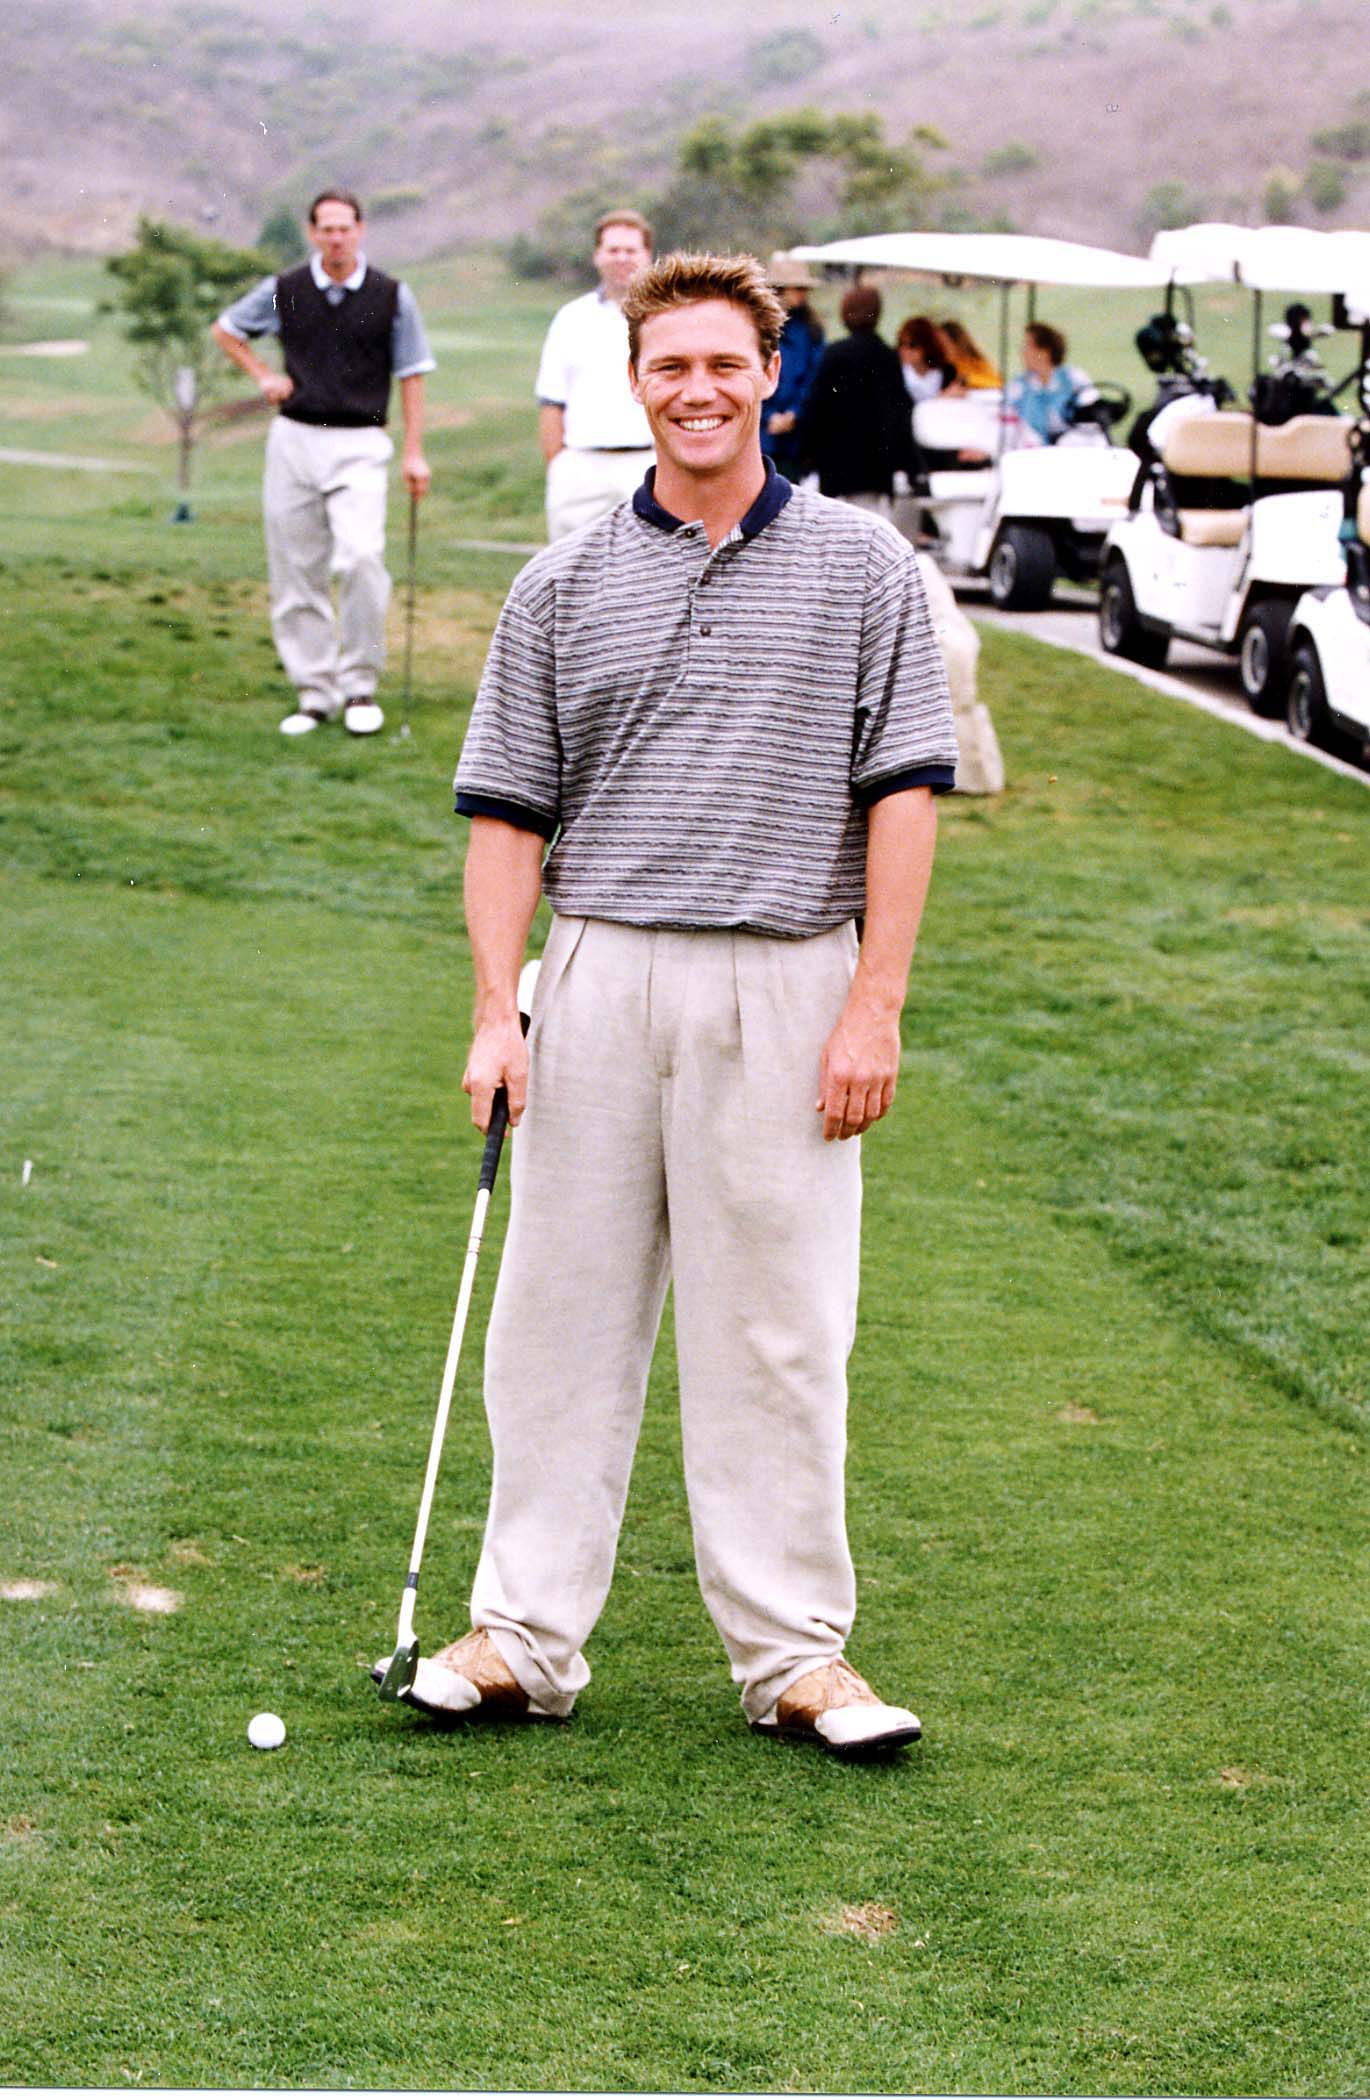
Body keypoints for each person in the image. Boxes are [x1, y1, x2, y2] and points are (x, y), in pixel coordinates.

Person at [407, 252, 957, 1758]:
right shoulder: (561, 581)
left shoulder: (862, 571)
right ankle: (520, 1635)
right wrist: (491, 1010)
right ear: (631, 382)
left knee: (776, 1332)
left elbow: (903, 794)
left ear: (767, 378)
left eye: (724, 365)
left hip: (786, 975)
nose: (697, 391)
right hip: (592, 969)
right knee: (554, 1320)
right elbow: (507, 818)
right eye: (669, 368)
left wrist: (874, 1004)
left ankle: (794, 1658)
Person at [211, 189, 433, 738]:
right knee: (296, 571)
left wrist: (413, 450)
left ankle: (360, 684)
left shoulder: (390, 295)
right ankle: (315, 693)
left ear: (360, 231)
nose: (336, 237)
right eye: (326, 229)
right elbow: (227, 330)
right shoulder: (285, 288)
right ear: (313, 233)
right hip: (295, 438)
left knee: (360, 558)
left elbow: (412, 374)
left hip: (360, 441)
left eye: (345, 228)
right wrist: (264, 376)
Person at [534, 209, 655, 540]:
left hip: (647, 465)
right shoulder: (571, 318)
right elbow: (551, 401)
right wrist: (560, 467)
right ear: (597, 255)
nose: (622, 258)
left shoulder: (664, 317)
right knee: (574, 577)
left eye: (631, 250)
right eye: (612, 250)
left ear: (647, 255)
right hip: (581, 468)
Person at [797, 283, 918, 513]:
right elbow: (899, 414)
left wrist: (807, 457)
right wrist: (907, 466)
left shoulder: (833, 354)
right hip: (876, 472)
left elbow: (814, 410)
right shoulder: (887, 357)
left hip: (836, 471)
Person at [760, 252, 825, 480]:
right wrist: (768, 417)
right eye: (797, 288)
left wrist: (794, 414)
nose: (802, 294)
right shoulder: (758, 328)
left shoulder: (811, 330)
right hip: (762, 433)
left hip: (795, 436)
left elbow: (814, 378)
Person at [1005, 322, 1098, 445]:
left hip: (1073, 448)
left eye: (1028, 346)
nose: (1022, 352)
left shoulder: (1073, 377)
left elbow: (1091, 412)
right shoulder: (1017, 386)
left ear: (1045, 352)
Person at [896, 315, 953, 403]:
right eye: (901, 344)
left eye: (912, 345)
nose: (904, 350)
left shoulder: (947, 372)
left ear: (926, 346)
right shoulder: (895, 371)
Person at [937, 318, 1002, 392]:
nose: (940, 349)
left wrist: (967, 380)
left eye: (944, 344)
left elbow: (997, 383)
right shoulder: (939, 367)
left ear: (957, 343)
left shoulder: (975, 362)